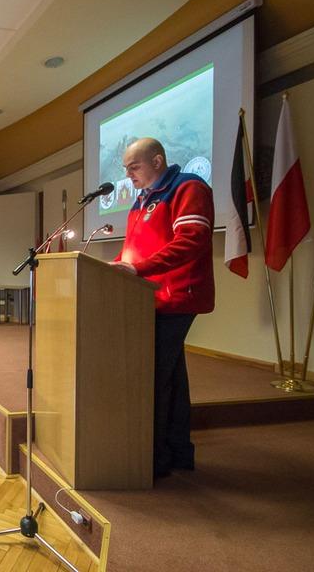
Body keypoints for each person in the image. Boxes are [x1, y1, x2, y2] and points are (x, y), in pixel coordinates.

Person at [109, 137, 214, 478]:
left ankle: (155, 458)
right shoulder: (142, 199)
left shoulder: (188, 187)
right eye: (125, 169)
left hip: (176, 296)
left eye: (134, 167)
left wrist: (139, 269)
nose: (128, 175)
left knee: (153, 376)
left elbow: (191, 240)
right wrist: (112, 267)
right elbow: (133, 250)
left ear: (157, 161)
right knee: (171, 377)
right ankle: (178, 451)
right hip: (149, 299)